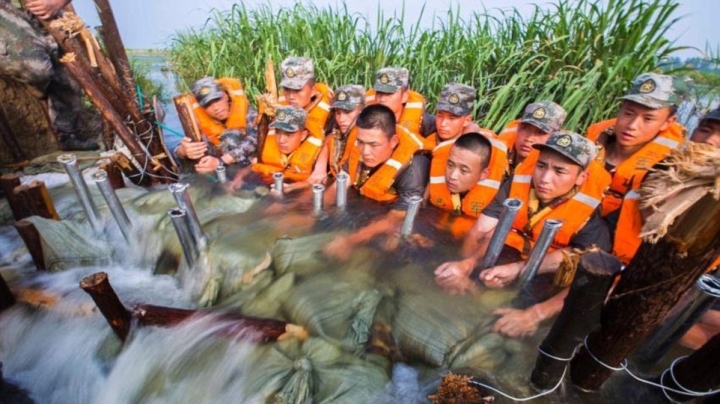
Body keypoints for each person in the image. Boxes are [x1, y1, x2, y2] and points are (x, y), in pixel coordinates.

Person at [435, 131, 611, 337]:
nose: (545, 178)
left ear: (581, 177)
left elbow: (593, 285)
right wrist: (466, 265)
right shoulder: (517, 185)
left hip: (544, 285)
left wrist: (534, 315)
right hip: (505, 261)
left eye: (559, 171)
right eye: (542, 166)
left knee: (490, 319)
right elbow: (483, 229)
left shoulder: (590, 216)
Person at [586, 72, 686, 265]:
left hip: (616, 260)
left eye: (648, 119)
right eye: (628, 113)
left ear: (668, 122)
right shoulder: (592, 142)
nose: (632, 125)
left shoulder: (670, 169)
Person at [323, 104, 429, 260]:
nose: (365, 152)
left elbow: (394, 219)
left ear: (393, 141)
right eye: (361, 142)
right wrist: (314, 213)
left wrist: (349, 241)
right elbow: (339, 185)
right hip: (364, 210)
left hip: (393, 217)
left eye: (374, 145)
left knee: (390, 244)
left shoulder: (413, 168)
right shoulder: (362, 141)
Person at [0, 0, 98, 150]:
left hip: (41, 8)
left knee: (70, 67)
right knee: (37, 68)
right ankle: (40, 86)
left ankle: (68, 135)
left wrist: (57, 2)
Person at [424, 83, 508, 238]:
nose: (443, 124)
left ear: (467, 120)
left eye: (452, 118)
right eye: (440, 115)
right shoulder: (427, 138)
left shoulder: (486, 147)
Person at [175, 76, 257, 174]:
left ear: (226, 95)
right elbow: (179, 150)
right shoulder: (200, 122)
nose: (216, 107)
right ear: (202, 107)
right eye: (208, 104)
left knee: (231, 136)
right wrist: (182, 151)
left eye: (217, 100)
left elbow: (255, 139)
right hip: (217, 172)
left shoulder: (249, 113)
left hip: (246, 169)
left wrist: (221, 161)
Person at [228, 105, 319, 189]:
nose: (281, 140)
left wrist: (295, 187)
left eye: (289, 134)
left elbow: (319, 182)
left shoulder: (317, 156)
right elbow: (256, 165)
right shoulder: (269, 143)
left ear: (303, 135)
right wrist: (239, 177)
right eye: (278, 132)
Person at [498, 101, 566, 176]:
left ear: (553, 137)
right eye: (525, 128)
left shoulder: (548, 175)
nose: (529, 138)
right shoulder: (492, 153)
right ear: (518, 128)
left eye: (540, 132)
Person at [366, 67, 435, 138]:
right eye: (379, 92)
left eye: (389, 93)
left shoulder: (428, 124)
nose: (382, 98)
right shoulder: (363, 118)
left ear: (404, 97)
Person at [324, 84, 365, 178]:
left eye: (347, 112)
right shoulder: (331, 136)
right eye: (338, 113)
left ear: (362, 110)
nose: (341, 119)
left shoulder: (368, 139)